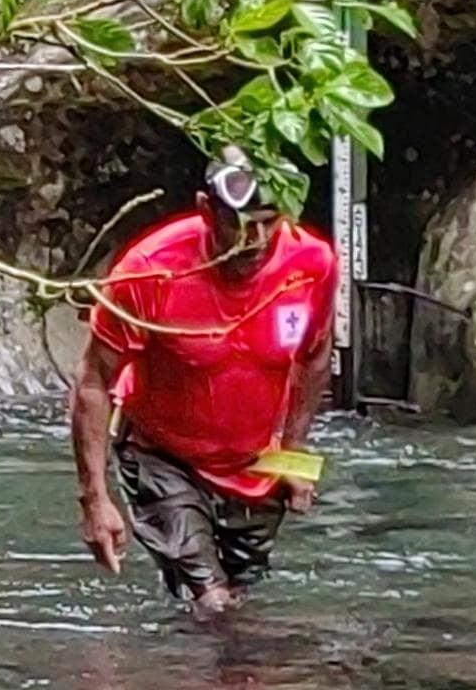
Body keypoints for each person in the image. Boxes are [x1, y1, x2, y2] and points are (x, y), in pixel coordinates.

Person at [69, 148, 338, 617]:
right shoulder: (150, 270)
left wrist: (293, 453)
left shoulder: (311, 264)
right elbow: (93, 382)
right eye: (238, 223)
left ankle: (206, 686)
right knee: (212, 602)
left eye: (268, 222)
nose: (254, 240)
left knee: (236, 597)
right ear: (205, 209)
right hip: (162, 454)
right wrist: (95, 499)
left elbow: (314, 359)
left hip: (253, 464)